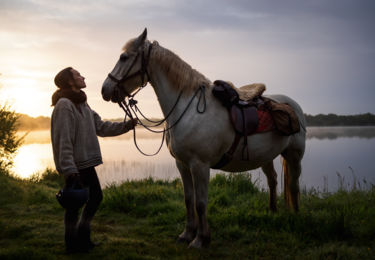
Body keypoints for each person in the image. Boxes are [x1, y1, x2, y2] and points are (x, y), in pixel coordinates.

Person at [51, 67, 137, 253]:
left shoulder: (83, 104)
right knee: (75, 205)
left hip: (86, 163)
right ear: (70, 81)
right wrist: (69, 169)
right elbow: (63, 139)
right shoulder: (64, 105)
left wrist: (127, 126)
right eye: (78, 75)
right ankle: (73, 245)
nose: (83, 76)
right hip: (76, 166)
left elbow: (101, 127)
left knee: (94, 198)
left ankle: (81, 237)